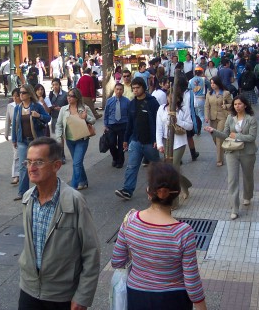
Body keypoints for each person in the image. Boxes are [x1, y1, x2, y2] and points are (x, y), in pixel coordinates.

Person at [18, 137, 100, 309]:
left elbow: (91, 252)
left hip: (62, 296)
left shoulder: (74, 201)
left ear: (56, 166)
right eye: (29, 161)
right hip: (29, 289)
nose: (31, 168)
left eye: (39, 162)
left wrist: (83, 296)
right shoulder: (27, 199)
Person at [111, 163, 207, 310]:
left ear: (148, 191)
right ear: (177, 193)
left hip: (137, 297)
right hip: (174, 300)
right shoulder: (183, 232)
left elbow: (117, 261)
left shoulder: (130, 220)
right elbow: (192, 281)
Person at [204, 95, 258, 219]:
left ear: (245, 105)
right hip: (232, 151)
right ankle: (234, 208)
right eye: (235, 104)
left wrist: (237, 136)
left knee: (248, 176)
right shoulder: (230, 118)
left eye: (239, 104)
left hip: (247, 152)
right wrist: (213, 131)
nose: (237, 106)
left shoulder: (251, 119)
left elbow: (252, 137)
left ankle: (247, 196)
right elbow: (225, 134)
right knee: (232, 179)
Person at [115, 77, 160, 200]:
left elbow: (158, 122)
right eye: (133, 88)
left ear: (143, 88)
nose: (135, 90)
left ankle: (156, 189)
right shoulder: (132, 104)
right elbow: (129, 123)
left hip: (150, 142)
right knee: (131, 166)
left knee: (157, 167)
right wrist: (125, 139)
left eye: (137, 88)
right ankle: (127, 190)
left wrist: (157, 139)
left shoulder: (152, 102)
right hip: (135, 141)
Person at [12, 84, 51, 199]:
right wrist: (14, 139)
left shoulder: (36, 106)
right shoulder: (18, 108)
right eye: (20, 93)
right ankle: (22, 192)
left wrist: (39, 115)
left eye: (23, 93)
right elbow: (15, 124)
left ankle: (42, 190)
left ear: (29, 94)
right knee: (23, 166)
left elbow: (48, 118)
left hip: (35, 141)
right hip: (22, 141)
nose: (21, 95)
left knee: (38, 165)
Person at [55, 88, 95, 190]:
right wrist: (59, 138)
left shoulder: (84, 108)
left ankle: (73, 188)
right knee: (78, 162)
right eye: (68, 95)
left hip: (82, 139)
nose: (68, 97)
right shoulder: (64, 109)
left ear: (77, 98)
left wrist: (86, 117)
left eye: (71, 96)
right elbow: (59, 125)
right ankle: (83, 181)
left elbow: (93, 120)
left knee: (76, 163)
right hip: (70, 140)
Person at [204, 76, 232, 167]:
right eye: (211, 83)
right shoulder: (209, 93)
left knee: (219, 137)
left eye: (214, 83)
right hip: (212, 118)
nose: (212, 85)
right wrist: (206, 116)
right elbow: (207, 106)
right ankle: (222, 149)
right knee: (214, 137)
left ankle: (219, 159)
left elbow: (232, 104)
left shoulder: (225, 93)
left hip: (222, 117)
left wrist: (226, 106)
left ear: (218, 83)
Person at [104, 83, 130, 168]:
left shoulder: (127, 101)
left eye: (120, 89)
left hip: (123, 125)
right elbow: (106, 113)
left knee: (121, 144)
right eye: (117, 89)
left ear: (123, 91)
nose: (118, 91)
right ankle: (115, 158)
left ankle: (120, 161)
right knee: (111, 143)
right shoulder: (109, 101)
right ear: (114, 90)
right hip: (112, 125)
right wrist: (105, 125)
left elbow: (130, 115)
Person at [5, 88, 21, 186]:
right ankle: (16, 175)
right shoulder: (10, 106)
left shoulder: (25, 106)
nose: (15, 98)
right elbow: (8, 121)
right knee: (16, 155)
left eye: (17, 96)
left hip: (25, 134)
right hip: (15, 134)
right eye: (13, 96)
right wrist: (6, 133)